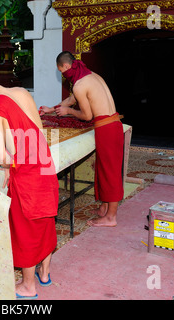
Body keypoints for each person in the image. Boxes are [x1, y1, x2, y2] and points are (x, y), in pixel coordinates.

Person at [0, 71, 59, 300]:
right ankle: (44, 273)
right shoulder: (20, 93)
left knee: (25, 228)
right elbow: (36, 131)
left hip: (27, 174)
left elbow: (3, 157)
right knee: (45, 220)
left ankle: (28, 286)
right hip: (45, 164)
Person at [41, 51, 124, 227]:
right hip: (112, 124)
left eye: (61, 72)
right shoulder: (91, 75)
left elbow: (87, 116)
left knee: (110, 172)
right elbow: (72, 99)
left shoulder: (79, 84)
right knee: (104, 169)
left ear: (64, 67)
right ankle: (104, 208)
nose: (63, 75)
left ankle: (111, 217)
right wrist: (51, 109)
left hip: (106, 128)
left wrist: (69, 112)